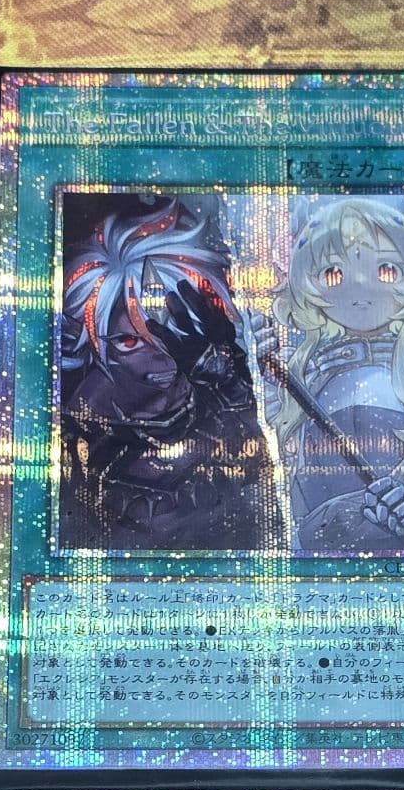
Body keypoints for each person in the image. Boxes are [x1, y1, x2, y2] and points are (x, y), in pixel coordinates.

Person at [60, 196, 278, 551]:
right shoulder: (82, 428)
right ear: (96, 343)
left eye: (172, 335)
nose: (161, 359)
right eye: (129, 341)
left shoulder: (219, 387)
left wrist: (237, 372)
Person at [254, 196, 404, 553]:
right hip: (315, 557)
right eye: (333, 273)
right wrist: (252, 364)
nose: (360, 290)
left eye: (386, 270)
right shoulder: (301, 378)